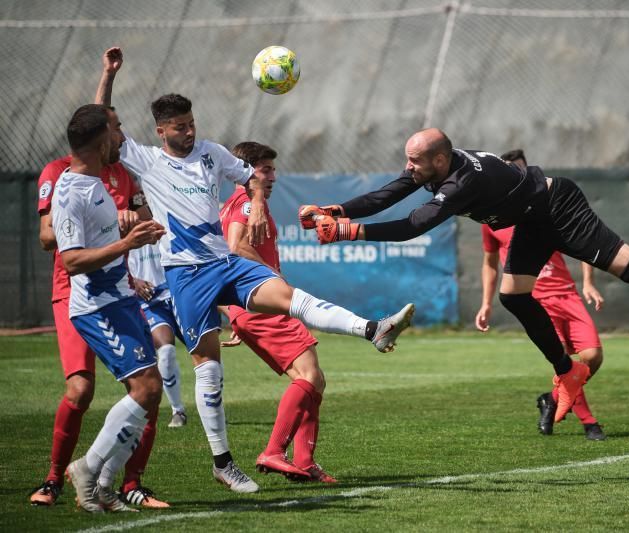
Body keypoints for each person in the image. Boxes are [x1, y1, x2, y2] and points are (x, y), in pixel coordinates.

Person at [97, 47, 414, 493]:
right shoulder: (146, 160)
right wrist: (109, 74)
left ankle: (373, 329)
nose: (189, 132)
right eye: (180, 127)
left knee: (290, 297)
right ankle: (223, 462)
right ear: (161, 130)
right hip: (185, 276)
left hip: (224, 263)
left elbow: (251, 176)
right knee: (209, 370)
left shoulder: (209, 153)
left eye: (192, 124)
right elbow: (101, 118)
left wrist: (260, 201)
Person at [299, 128, 629, 424]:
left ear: (439, 161)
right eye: (409, 159)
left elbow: (412, 226)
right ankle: (567, 371)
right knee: (514, 295)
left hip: (557, 207)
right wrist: (335, 209)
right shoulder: (436, 164)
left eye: (416, 161)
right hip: (532, 216)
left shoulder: (462, 182)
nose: (410, 167)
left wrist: (347, 231)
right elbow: (388, 193)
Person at [30, 118, 169, 509]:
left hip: (121, 298)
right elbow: (71, 260)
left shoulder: (100, 182)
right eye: (115, 133)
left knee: (150, 391)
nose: (122, 139)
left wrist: (134, 237)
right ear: (98, 141)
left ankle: (105, 485)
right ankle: (85, 470)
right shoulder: (70, 192)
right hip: (97, 307)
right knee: (143, 388)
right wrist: (126, 242)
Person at [219, 141, 336, 482]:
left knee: (314, 380)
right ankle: (274, 451)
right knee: (310, 377)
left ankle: (304, 462)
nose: (273, 176)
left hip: (252, 307)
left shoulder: (236, 205)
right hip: (263, 305)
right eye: (265, 169)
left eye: (272, 168)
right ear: (245, 173)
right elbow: (236, 247)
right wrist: (272, 277)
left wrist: (234, 314)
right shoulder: (244, 203)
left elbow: (223, 260)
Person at [475, 149, 606, 441]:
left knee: (593, 356)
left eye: (523, 172)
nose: (519, 178)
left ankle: (552, 397)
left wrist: (588, 281)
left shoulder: (547, 205)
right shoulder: (493, 220)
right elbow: (489, 264)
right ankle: (589, 422)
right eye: (512, 173)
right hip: (534, 301)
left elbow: (585, 239)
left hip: (567, 295)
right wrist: (485, 303)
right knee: (563, 361)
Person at [128, 243, 188, 428]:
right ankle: (178, 410)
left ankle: (215, 406)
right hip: (151, 300)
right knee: (166, 351)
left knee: (206, 351)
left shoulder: (164, 215)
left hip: (180, 292)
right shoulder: (119, 221)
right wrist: (133, 281)